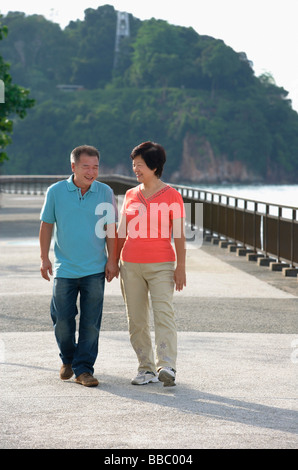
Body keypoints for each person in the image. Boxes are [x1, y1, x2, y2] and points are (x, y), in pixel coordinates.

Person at [39, 145, 118, 387]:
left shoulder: (105, 192)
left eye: (95, 167)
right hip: (65, 268)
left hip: (95, 268)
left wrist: (113, 260)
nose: (91, 171)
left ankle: (84, 370)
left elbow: (111, 230)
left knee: (91, 323)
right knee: (62, 319)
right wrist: (44, 258)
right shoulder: (56, 192)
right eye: (86, 166)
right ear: (73, 167)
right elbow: (46, 226)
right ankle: (68, 359)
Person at [117, 141, 186, 387]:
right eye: (134, 165)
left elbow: (178, 234)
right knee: (136, 319)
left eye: (140, 165)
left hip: (162, 265)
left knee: (164, 314)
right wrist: (113, 261)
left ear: (155, 166)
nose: (136, 170)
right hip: (131, 265)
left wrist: (180, 267)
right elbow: (121, 231)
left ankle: (166, 365)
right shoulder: (130, 195)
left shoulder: (172, 195)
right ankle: (145, 368)